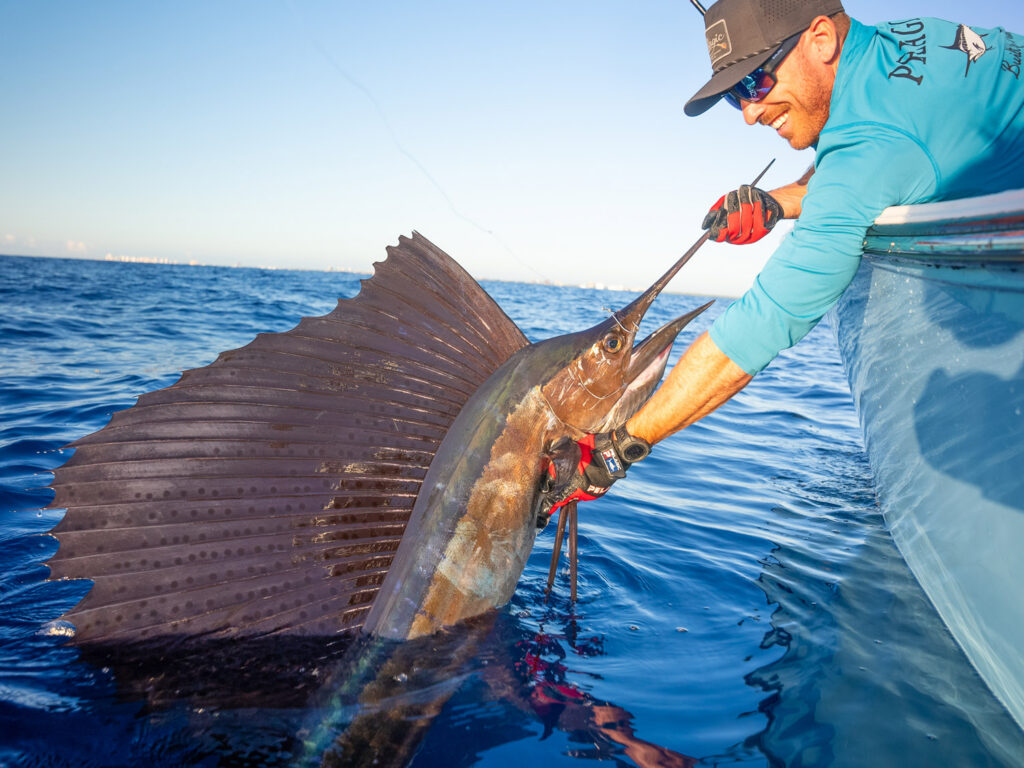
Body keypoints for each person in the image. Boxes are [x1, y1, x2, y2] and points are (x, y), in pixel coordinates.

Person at [541, 0, 1024, 514]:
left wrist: (612, 452)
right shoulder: (899, 47)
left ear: (820, 40)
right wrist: (776, 202)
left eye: (755, 84)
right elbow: (876, 154)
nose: (749, 113)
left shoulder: (869, 154)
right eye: (734, 97)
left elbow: (759, 327)